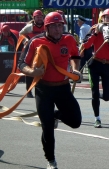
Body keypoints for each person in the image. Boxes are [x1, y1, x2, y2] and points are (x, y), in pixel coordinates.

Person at [18, 12, 82, 169]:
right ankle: (51, 160)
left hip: (63, 87)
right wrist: (33, 72)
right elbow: (21, 63)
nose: (58, 29)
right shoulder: (35, 41)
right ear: (47, 27)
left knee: (76, 121)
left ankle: (54, 115)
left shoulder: (69, 39)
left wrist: (75, 70)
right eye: (54, 26)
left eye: (60, 26)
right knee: (47, 128)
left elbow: (75, 56)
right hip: (43, 89)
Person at [80, 8, 109, 128]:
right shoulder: (94, 29)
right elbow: (86, 45)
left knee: (107, 96)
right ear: (102, 18)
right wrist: (96, 33)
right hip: (95, 64)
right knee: (94, 92)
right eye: (106, 17)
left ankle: (100, 95)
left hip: (108, 65)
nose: (108, 20)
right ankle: (97, 118)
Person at [19, 9, 45, 98]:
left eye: (40, 17)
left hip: (43, 52)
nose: (39, 19)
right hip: (31, 51)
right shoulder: (29, 27)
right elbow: (21, 34)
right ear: (34, 18)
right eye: (37, 17)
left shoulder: (46, 26)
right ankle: (29, 91)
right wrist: (26, 40)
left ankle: (41, 90)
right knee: (30, 71)